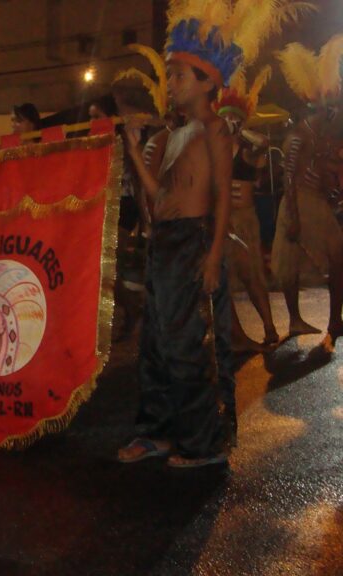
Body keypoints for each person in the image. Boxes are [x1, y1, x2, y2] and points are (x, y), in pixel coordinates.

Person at [116, 0, 307, 467]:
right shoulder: (174, 135)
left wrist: (213, 254)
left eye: (180, 75)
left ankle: (206, 444)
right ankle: (157, 432)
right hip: (166, 243)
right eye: (172, 75)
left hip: (196, 242)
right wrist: (135, 150)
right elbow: (159, 195)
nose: (172, 84)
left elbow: (222, 197)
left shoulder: (216, 130)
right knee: (157, 345)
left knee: (192, 347)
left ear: (208, 83)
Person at [273, 36, 343, 344]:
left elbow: (330, 169)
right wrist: (293, 217)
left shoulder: (323, 137)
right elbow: (288, 180)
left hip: (317, 205)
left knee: (339, 259)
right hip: (297, 205)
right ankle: (295, 320)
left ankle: (334, 321)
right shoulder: (297, 137)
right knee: (288, 268)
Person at [216, 73, 279, 352]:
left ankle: (269, 327)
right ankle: (233, 335)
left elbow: (264, 144)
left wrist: (240, 130)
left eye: (234, 119)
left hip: (245, 222)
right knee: (223, 281)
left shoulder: (247, 150)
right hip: (224, 222)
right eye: (225, 118)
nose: (228, 123)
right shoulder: (214, 149)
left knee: (253, 277)